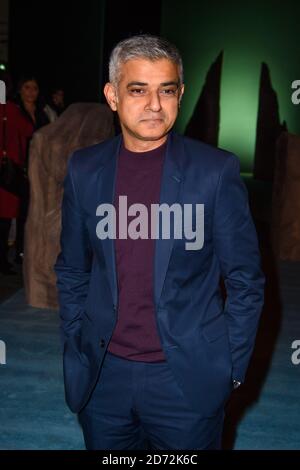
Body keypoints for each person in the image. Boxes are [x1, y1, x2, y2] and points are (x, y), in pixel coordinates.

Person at [54, 35, 265, 450]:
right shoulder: (85, 169)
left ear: (180, 94)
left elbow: (245, 281)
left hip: (185, 379)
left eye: (166, 90)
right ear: (112, 96)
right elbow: (73, 268)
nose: (155, 104)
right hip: (103, 377)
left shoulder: (215, 172)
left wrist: (230, 367)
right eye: (138, 90)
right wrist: (76, 342)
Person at [0, 71, 34, 275]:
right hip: (7, 170)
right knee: (4, 218)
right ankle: (2, 260)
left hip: (6, 169)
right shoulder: (11, 110)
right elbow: (29, 130)